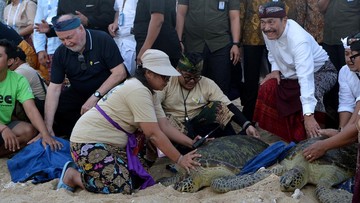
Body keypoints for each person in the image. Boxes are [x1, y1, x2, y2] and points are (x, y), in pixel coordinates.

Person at [55, 49, 201, 194]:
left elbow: (164, 125)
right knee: (121, 187)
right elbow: (153, 134)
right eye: (164, 77)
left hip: (112, 144)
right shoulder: (138, 90)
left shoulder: (149, 91)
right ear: (149, 73)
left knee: (137, 179)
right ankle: (73, 176)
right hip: (87, 143)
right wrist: (180, 159)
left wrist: (192, 143)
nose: (167, 81)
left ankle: (95, 170)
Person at [253, 1, 337, 143]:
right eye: (263, 22)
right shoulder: (268, 32)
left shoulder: (299, 40)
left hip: (322, 71)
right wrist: (275, 70)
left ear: (284, 20)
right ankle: (286, 134)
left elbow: (306, 78)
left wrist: (308, 115)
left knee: (313, 92)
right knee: (267, 86)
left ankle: (318, 138)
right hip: (291, 74)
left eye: (271, 22)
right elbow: (271, 52)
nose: (266, 27)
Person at [44, 14, 128, 138]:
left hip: (109, 92)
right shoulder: (61, 53)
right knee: (59, 106)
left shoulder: (102, 39)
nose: (67, 43)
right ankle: (78, 137)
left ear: (81, 29)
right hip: (81, 92)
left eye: (69, 37)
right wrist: (47, 126)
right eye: (62, 40)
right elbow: (54, 88)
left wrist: (95, 96)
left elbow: (120, 73)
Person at [302, 36, 360, 203]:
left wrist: (326, 145)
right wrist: (341, 132)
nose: (349, 59)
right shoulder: (345, 72)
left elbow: (356, 127)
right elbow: (347, 104)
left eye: (353, 56)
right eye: (346, 54)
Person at [157, 52, 259, 147]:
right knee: (165, 119)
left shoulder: (207, 83)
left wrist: (247, 125)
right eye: (187, 77)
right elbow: (154, 107)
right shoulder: (167, 83)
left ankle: (232, 142)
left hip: (199, 124)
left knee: (219, 107)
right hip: (175, 129)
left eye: (196, 77)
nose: (192, 81)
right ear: (178, 71)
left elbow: (228, 105)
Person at [0, 39, 62, 158]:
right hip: (2, 127)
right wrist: (3, 129)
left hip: (5, 124)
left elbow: (31, 109)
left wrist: (45, 134)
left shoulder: (18, 79)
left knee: (30, 130)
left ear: (10, 61)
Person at [176, 0, 241, 98]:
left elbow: (234, 17)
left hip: (220, 44)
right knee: (193, 83)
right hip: (193, 44)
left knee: (221, 84)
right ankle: (195, 112)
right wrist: (179, 40)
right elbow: (181, 13)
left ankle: (219, 111)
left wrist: (236, 44)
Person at [133, 0, 181, 68]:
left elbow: (158, 19)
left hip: (156, 50)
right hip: (156, 48)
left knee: (144, 77)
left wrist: (145, 49)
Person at [8, 47, 47, 116]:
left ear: (16, 60)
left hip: (41, 109)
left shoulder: (21, 71)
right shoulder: (25, 67)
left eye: (8, 60)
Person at [33, 0, 62, 84]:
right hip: (52, 49)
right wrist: (40, 49)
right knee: (56, 83)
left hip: (73, 44)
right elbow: (38, 23)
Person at [108, 0, 138, 76]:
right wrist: (115, 23)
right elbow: (118, 11)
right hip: (118, 39)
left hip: (132, 40)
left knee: (129, 74)